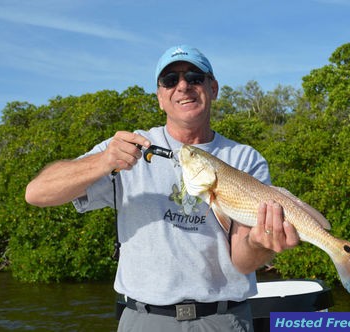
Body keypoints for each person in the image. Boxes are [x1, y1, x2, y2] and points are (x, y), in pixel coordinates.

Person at [25, 45, 300, 332]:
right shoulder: (127, 147)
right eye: (170, 81)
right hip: (144, 319)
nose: (183, 87)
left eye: (195, 77)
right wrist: (103, 161)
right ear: (160, 97)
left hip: (224, 319)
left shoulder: (244, 159)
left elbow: (243, 262)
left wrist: (260, 243)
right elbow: (36, 193)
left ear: (213, 88)